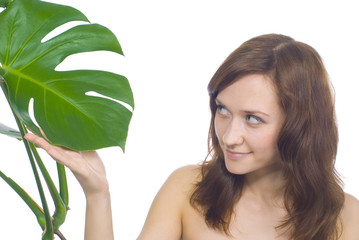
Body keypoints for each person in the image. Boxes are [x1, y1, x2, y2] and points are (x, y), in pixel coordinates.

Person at [25, 34, 359, 240]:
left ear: (301, 126)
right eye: (222, 109)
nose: (229, 136)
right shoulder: (187, 189)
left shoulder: (346, 216)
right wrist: (98, 195)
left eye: (253, 119)